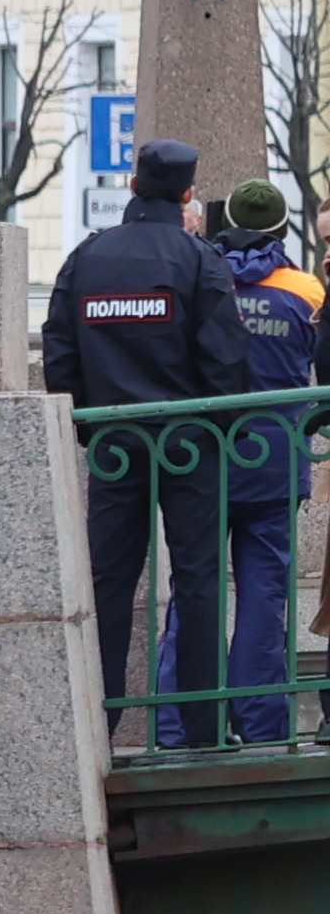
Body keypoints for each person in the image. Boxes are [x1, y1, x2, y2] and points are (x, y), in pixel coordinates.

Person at [43, 137, 253, 748]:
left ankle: (97, 723)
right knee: (200, 579)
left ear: (132, 186)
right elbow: (226, 360)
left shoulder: (88, 258)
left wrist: (90, 427)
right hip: (191, 444)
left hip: (115, 441)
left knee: (108, 582)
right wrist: (219, 429)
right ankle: (204, 727)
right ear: (188, 193)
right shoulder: (199, 260)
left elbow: (61, 352)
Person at [153, 177, 324, 745]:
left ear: (228, 225)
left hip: (204, 458)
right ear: (281, 228)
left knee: (194, 589)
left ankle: (179, 725)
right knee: (264, 596)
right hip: (275, 460)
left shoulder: (205, 278)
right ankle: (264, 728)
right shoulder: (307, 290)